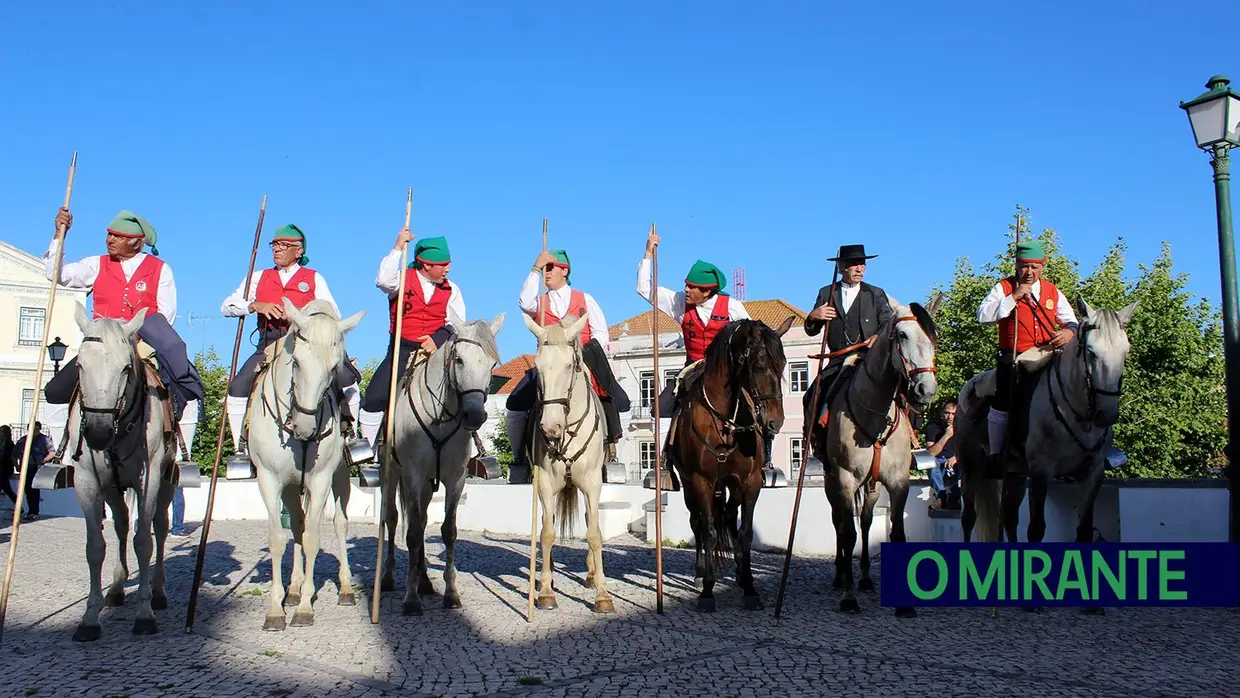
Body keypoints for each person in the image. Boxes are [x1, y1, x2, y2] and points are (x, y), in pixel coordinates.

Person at [41, 208, 204, 462]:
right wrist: (59, 235)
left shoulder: (160, 269)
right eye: (109, 235)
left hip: (146, 328)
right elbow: (57, 275)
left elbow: (166, 312)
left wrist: (141, 339)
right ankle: (64, 453)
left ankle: (183, 451)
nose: (109, 240)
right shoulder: (96, 264)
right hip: (104, 336)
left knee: (179, 363)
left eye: (117, 236)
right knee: (54, 391)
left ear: (137, 243)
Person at [221, 223, 362, 453]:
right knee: (237, 387)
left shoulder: (314, 278)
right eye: (275, 245)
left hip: (309, 341)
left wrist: (299, 315)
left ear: (299, 251)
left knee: (347, 378)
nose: (277, 249)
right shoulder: (258, 277)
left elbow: (333, 313)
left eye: (284, 245)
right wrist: (255, 305)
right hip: (270, 342)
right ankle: (241, 447)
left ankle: (351, 437)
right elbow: (226, 306)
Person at [638, 228, 751, 489]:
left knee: (757, 404)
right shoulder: (680, 302)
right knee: (662, 408)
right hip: (692, 368)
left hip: (726, 370)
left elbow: (750, 337)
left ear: (708, 292)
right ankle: (666, 463)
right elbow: (645, 289)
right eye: (686, 285)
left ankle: (763, 459)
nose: (686, 290)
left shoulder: (732, 307)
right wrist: (647, 254)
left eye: (692, 287)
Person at [504, 249, 629, 479]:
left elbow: (601, 332)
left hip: (583, 359)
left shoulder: (585, 299)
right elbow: (524, 302)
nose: (546, 274)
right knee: (515, 404)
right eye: (544, 270)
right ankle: (519, 458)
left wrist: (584, 355)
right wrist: (534, 268)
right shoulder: (539, 302)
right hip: (550, 363)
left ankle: (612, 452)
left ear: (565, 270)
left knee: (613, 397)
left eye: (550, 268)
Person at [976, 239, 1078, 478]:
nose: (1029, 272)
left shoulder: (1053, 291)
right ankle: (998, 454)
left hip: (1047, 354)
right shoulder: (1003, 287)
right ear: (1016, 265)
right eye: (1024, 266)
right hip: (1012, 356)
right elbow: (983, 315)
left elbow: (1070, 319)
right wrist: (1014, 298)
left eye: (1034, 267)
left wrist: (1068, 331)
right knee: (1004, 398)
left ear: (1042, 267)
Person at [357, 229, 466, 448]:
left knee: (465, 392)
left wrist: (438, 339)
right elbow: (383, 281)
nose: (448, 269)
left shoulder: (452, 289)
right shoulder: (401, 280)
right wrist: (397, 248)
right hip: (401, 350)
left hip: (437, 352)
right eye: (444, 264)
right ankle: (368, 451)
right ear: (427, 265)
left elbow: (458, 323)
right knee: (374, 397)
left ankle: (470, 447)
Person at [802, 244, 894, 454]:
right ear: (842, 267)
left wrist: (876, 337)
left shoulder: (875, 294)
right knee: (811, 397)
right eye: (854, 265)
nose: (860, 269)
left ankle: (910, 435)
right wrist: (813, 316)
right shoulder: (826, 292)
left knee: (906, 386)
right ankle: (818, 443)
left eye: (862, 264)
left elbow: (888, 323)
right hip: (837, 362)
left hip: (869, 359)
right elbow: (812, 330)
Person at [13, 423, 53, 521]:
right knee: (27, 489)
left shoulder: (44, 440)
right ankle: (27, 510)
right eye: (32, 429)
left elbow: (52, 452)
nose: (34, 431)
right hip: (25, 467)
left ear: (40, 429)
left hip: (37, 467)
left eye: (36, 429)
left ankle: (33, 512)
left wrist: (44, 460)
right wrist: (17, 465)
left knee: (34, 490)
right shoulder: (23, 440)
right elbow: (15, 454)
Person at [924, 400, 958, 509]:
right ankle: (941, 496)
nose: (950, 417)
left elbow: (969, 449)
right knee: (931, 462)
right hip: (938, 462)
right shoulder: (933, 428)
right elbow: (930, 453)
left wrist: (956, 457)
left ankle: (953, 497)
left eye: (953, 414)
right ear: (942, 414)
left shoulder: (962, 429)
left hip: (955, 463)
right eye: (947, 413)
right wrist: (946, 436)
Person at [0, 425, 17, 507]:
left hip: (2, 470)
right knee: (7, 489)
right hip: (6, 470)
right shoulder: (10, 443)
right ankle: (19, 506)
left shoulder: (4, 443)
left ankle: (18, 506)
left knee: (8, 490)